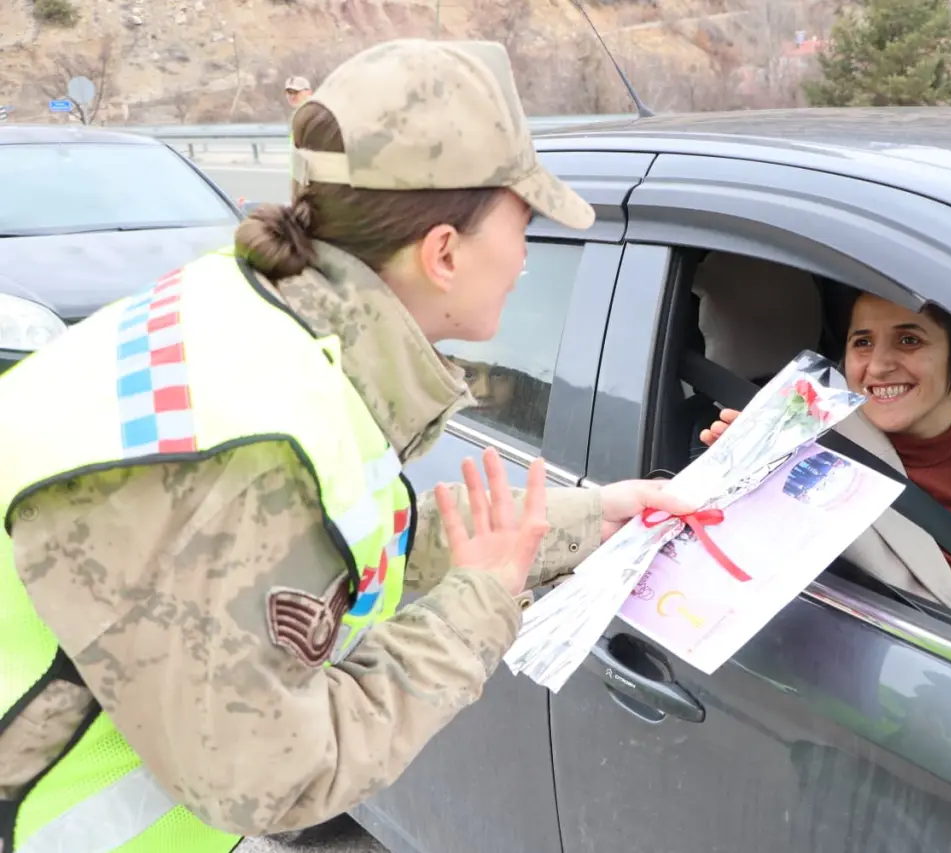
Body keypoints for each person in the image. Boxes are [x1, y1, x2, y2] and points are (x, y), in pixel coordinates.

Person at [0, 39, 690, 853]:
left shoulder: (253, 321)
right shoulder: (248, 451)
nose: (528, 258)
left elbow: (357, 545)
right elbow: (273, 773)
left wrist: (600, 515)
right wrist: (478, 604)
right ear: (443, 252)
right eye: (525, 224)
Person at [700, 290, 951, 626]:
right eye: (862, 342)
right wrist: (743, 488)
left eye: (909, 340)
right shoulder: (802, 445)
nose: (878, 366)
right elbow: (746, 587)